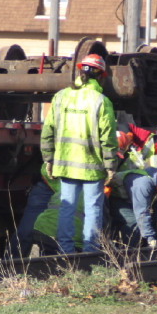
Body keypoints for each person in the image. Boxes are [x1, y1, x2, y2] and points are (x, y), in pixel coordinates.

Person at [40, 53, 118, 254]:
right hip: (92, 167)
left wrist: (48, 158)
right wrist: (110, 165)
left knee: (66, 208)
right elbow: (108, 138)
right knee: (93, 209)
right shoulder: (101, 101)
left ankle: (65, 252)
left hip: (65, 165)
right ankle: (90, 252)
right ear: (101, 76)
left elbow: (48, 130)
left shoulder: (61, 96)